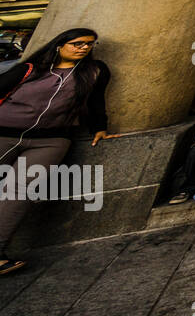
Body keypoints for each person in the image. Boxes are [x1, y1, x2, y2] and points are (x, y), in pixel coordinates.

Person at [0, 28, 112, 276]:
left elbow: (96, 102)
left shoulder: (95, 71)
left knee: (18, 192)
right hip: (4, 132)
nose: (84, 47)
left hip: (50, 141)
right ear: (60, 45)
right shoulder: (30, 69)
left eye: (90, 44)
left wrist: (100, 128)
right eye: (78, 43)